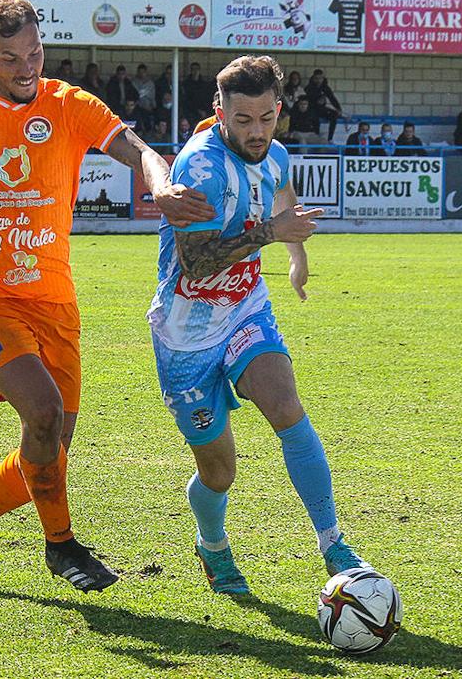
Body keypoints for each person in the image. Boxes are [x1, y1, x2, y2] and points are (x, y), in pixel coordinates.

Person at [0, 0, 213, 593]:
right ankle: (61, 546)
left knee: (51, 444)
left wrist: (163, 188)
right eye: (11, 57)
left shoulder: (69, 105)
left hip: (55, 300)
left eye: (35, 52)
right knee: (41, 415)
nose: (27, 67)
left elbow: (141, 152)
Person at [147, 54, 375, 594]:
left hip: (246, 307)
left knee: (286, 406)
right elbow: (197, 263)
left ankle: (334, 543)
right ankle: (213, 544)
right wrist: (274, 234)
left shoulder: (276, 154)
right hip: (186, 334)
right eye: (243, 120)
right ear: (218, 110)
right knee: (219, 472)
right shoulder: (198, 168)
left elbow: (283, 193)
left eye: (267, 119)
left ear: (279, 111)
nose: (257, 132)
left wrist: (297, 255)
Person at [303, 69, 342, 141]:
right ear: (313, 78)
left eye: (320, 78)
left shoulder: (325, 87)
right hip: (311, 109)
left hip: (321, 109)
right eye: (316, 78)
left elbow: (332, 98)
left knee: (334, 115)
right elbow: (306, 101)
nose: (318, 80)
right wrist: (317, 100)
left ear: (323, 78)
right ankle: (316, 139)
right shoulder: (309, 88)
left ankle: (330, 139)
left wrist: (339, 109)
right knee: (315, 119)